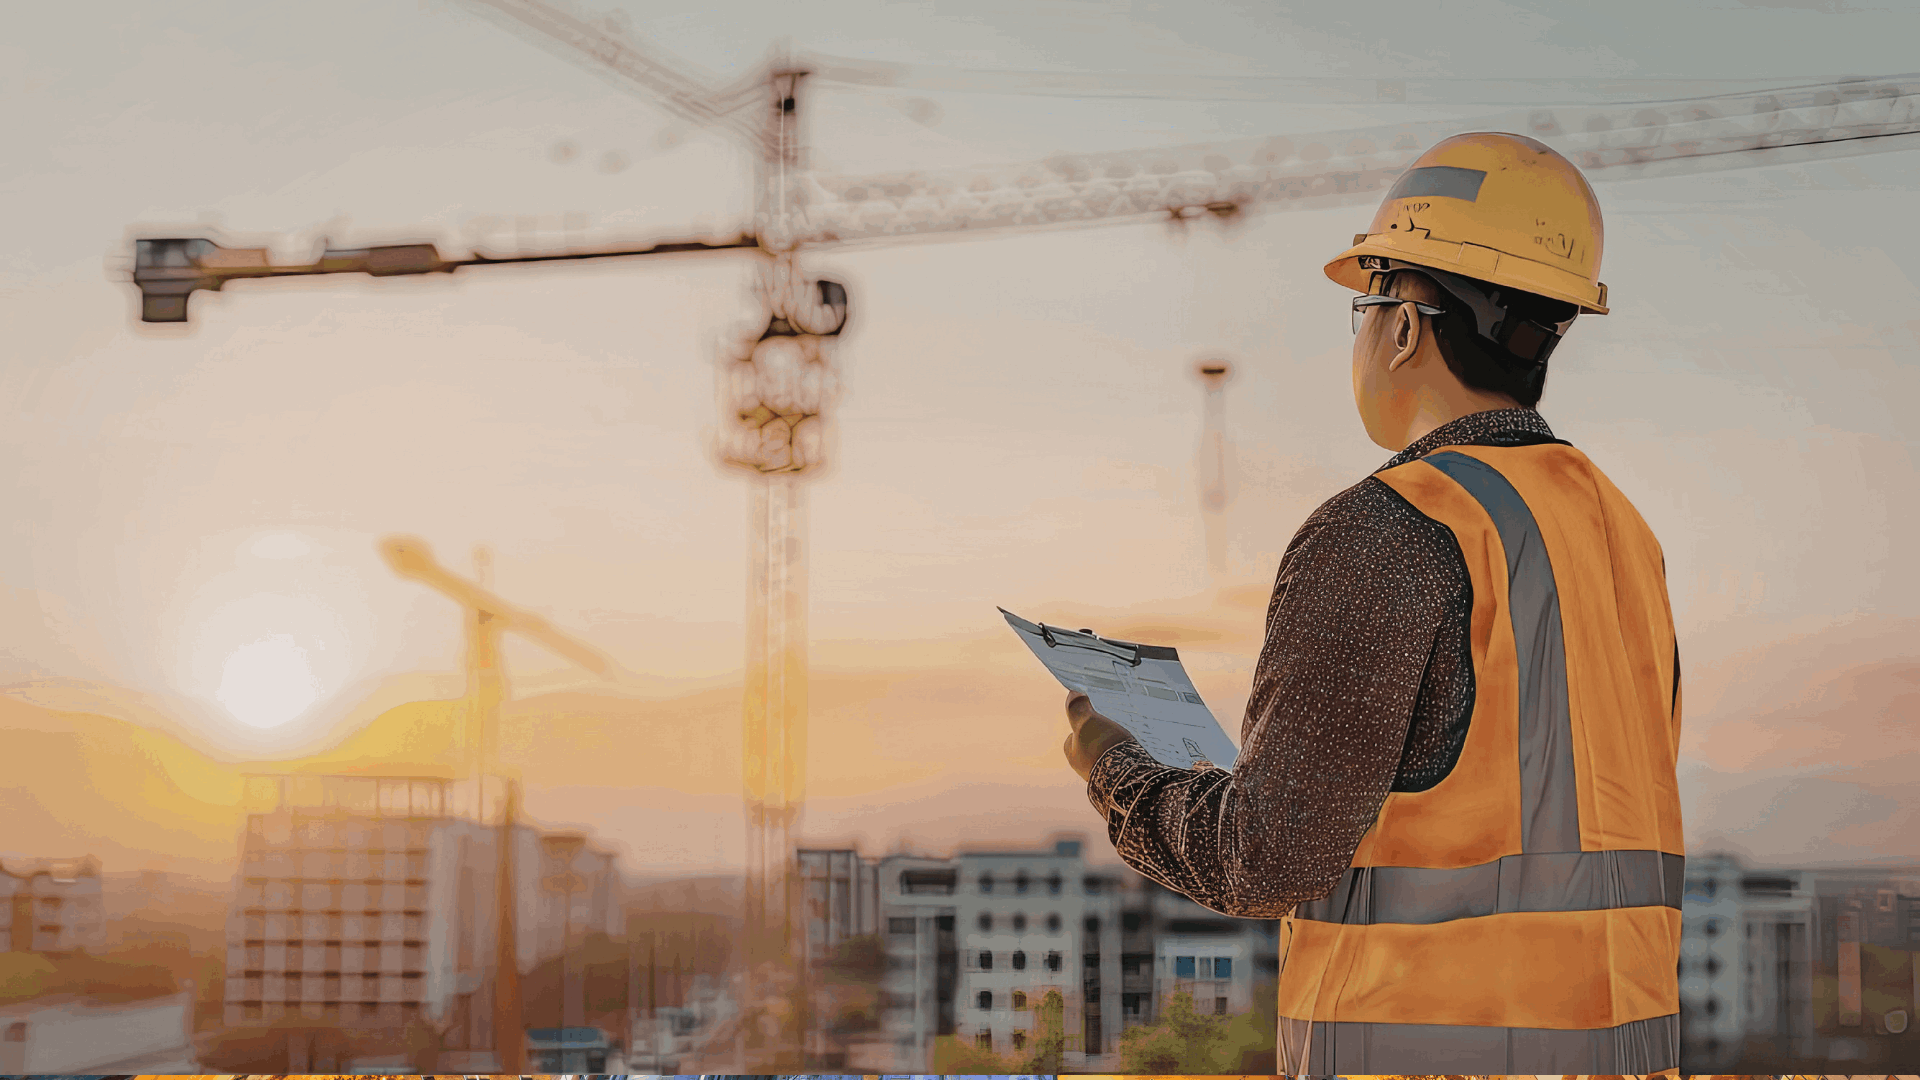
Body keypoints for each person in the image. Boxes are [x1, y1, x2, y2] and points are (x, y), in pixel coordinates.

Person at [1061, 131, 1685, 1074]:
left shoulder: (1384, 528)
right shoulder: (1621, 536)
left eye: (1364, 304)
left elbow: (1264, 858)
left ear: (1404, 324)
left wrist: (1116, 769)